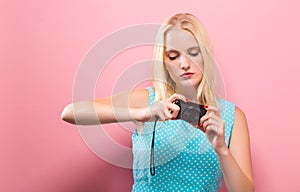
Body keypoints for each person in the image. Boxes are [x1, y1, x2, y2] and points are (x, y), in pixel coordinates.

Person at [61, 13, 255, 191]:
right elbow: (70, 112)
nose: (184, 64)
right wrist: (142, 113)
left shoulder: (231, 117)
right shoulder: (147, 100)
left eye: (193, 53)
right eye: (174, 56)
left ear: (205, 55)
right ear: (163, 62)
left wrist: (221, 149)